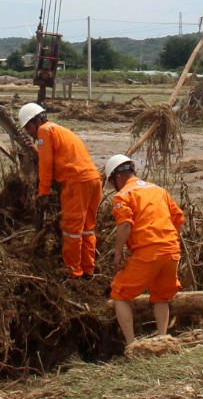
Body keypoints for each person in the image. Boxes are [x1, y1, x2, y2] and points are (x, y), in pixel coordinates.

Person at [102, 153, 185, 347]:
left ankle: (131, 345)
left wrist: (117, 253)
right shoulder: (158, 190)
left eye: (113, 183)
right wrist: (169, 241)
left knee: (119, 293)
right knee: (161, 296)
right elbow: (178, 220)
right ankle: (163, 338)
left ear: (118, 177)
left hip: (148, 252)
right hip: (171, 250)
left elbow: (124, 226)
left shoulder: (123, 195)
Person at [19, 102, 102, 277]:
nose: (29, 132)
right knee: (87, 228)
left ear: (37, 121)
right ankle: (88, 269)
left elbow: (46, 164)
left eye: (28, 127)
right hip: (93, 180)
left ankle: (74, 272)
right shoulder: (59, 130)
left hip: (76, 183)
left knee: (72, 230)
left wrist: (43, 191)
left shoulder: (44, 131)